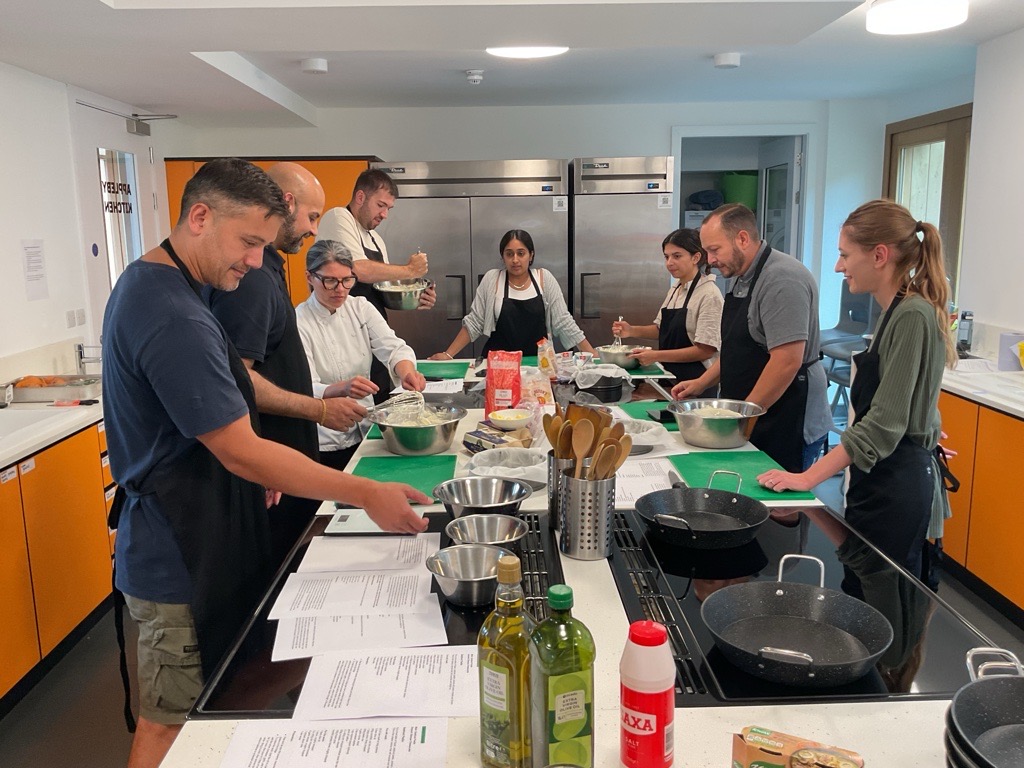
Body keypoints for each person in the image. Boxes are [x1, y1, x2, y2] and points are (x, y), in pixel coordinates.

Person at [101, 158, 428, 768]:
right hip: (179, 550)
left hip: (212, 524)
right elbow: (238, 447)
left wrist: (262, 470)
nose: (257, 261)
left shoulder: (180, 288)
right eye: (250, 242)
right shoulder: (169, 312)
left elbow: (228, 405)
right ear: (199, 216)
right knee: (170, 726)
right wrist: (361, 491)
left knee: (231, 685)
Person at [756, 199, 957, 595]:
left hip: (895, 489)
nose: (838, 266)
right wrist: (926, 431)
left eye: (845, 255)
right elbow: (911, 401)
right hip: (879, 479)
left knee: (882, 612)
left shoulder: (913, 315)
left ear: (879, 255)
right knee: (861, 593)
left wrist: (806, 478)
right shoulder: (895, 312)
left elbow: (883, 424)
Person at [205, 162, 364, 565]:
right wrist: (320, 409)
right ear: (287, 203)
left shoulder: (269, 271)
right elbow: (237, 381)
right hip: (271, 472)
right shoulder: (253, 281)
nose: (314, 229)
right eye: (312, 217)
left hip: (283, 466)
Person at [671, 204, 831, 473]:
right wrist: (701, 383)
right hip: (756, 413)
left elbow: (786, 361)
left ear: (742, 239)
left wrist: (739, 420)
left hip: (787, 414)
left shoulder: (781, 279)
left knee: (780, 509)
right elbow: (739, 349)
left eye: (714, 250)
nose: (709, 260)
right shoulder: (743, 275)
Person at [296, 240, 426, 471]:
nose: (340, 289)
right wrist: (341, 389)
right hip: (326, 439)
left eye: (347, 280)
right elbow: (304, 387)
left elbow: (394, 348)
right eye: (330, 281)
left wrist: (406, 371)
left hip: (365, 427)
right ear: (309, 277)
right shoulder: (298, 321)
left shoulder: (360, 308)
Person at [317, 169, 436, 399]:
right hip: (340, 334)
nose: (385, 215)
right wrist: (410, 270)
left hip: (372, 331)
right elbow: (359, 269)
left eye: (389, 208)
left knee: (379, 398)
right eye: (381, 205)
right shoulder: (338, 218)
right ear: (360, 197)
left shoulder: (376, 240)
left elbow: (385, 292)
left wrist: (417, 297)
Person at [428, 229, 596, 359]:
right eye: (509, 254)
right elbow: (475, 322)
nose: (515, 260)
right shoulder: (492, 279)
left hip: (539, 364)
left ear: (531, 255)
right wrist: (448, 354)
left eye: (521, 253)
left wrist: (592, 354)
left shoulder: (544, 279)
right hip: (498, 364)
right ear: (503, 257)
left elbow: (564, 322)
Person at [611, 228, 723, 393]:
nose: (669, 262)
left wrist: (656, 355)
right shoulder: (676, 289)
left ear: (696, 257)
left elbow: (705, 350)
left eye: (677, 256)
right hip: (670, 377)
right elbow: (661, 329)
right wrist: (631, 330)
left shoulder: (709, 294)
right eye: (666, 256)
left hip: (697, 383)